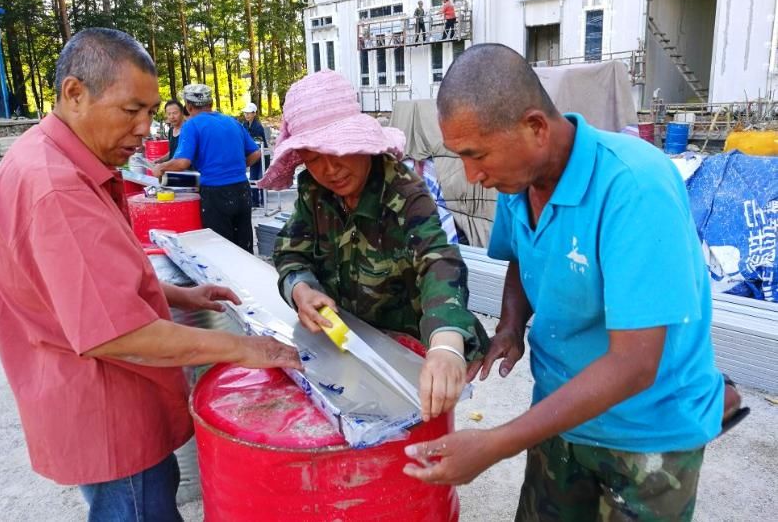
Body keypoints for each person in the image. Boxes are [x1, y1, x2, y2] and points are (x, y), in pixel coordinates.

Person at [403, 44, 739, 520]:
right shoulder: (518, 181)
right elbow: (522, 254)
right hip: (559, 415)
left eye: (477, 156)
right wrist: (511, 326)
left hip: (647, 433)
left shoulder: (635, 186)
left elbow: (634, 365)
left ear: (535, 128)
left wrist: (496, 443)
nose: (473, 176)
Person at [0, 28, 301, 521]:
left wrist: (177, 293)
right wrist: (248, 349)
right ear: (75, 93)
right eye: (132, 111)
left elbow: (84, 284)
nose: (144, 129)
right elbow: (118, 332)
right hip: (108, 409)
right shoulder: (58, 188)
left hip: (104, 399)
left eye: (151, 112)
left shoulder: (54, 158)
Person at [258, 70, 490, 421]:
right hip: (341, 343)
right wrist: (301, 289)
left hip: (405, 350)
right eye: (314, 158)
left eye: (338, 151)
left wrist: (446, 345)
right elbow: (290, 251)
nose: (330, 169)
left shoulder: (404, 192)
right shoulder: (314, 192)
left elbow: (439, 261)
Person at [156, 84, 261, 253]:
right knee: (244, 247)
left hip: (215, 193)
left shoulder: (192, 125)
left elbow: (182, 162)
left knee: (221, 250)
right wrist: (237, 168)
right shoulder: (232, 122)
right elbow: (256, 153)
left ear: (188, 106)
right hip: (242, 189)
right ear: (211, 103)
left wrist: (161, 167)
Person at [239, 101, 269, 208]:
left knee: (261, 178)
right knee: (252, 178)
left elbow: (255, 142)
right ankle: (255, 202)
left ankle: (263, 201)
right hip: (253, 155)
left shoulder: (258, 127)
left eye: (249, 113)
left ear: (254, 113)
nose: (246, 115)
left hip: (262, 155)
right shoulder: (244, 125)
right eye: (245, 113)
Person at [152, 99, 187, 164]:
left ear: (182, 113)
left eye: (175, 113)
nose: (172, 117)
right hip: (172, 168)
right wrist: (160, 160)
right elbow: (172, 152)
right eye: (169, 114)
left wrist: (165, 165)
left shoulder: (188, 130)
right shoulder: (171, 130)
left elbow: (184, 156)